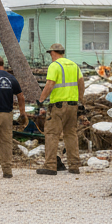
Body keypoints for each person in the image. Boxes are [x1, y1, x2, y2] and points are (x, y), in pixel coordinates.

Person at [37, 44, 82, 175]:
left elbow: (50, 84)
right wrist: (80, 99)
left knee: (52, 134)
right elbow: (81, 83)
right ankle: (74, 166)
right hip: (73, 105)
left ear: (53, 53)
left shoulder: (55, 65)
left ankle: (50, 165)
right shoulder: (74, 65)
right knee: (71, 134)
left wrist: (41, 99)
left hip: (58, 106)